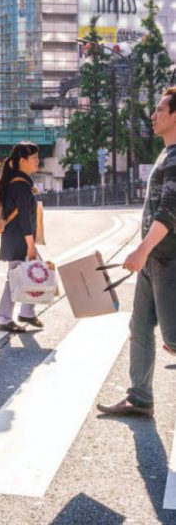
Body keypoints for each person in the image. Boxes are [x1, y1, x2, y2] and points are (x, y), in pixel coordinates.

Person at [98, 87, 176, 418]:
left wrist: (142, 250)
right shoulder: (166, 153)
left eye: (160, 109)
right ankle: (140, 397)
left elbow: (170, 212)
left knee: (174, 338)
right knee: (140, 327)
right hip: (155, 260)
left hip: (168, 258)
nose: (153, 114)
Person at [0, 141, 42, 333]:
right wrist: (30, 245)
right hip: (19, 240)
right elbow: (23, 218)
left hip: (16, 238)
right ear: (23, 161)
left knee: (32, 272)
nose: (38, 161)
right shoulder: (20, 186)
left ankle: (27, 312)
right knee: (15, 279)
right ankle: (4, 318)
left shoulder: (18, 183)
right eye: (34, 158)